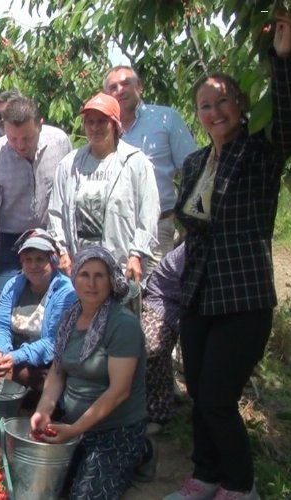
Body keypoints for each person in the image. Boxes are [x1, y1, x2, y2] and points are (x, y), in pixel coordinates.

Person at [164, 13, 291, 500]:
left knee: (218, 398)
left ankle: (240, 487)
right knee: (199, 394)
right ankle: (205, 476)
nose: (214, 112)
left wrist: (282, 62)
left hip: (243, 293)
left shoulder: (260, 152)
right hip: (198, 291)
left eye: (223, 102)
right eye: (204, 105)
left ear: (240, 105)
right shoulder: (196, 162)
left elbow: (286, 123)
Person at [30, 246, 154, 498]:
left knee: (85, 495)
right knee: (41, 486)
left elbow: (119, 391)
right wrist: (43, 410)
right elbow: (57, 371)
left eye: (100, 275)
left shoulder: (122, 324)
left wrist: (75, 430)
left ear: (111, 281)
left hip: (116, 427)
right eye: (85, 275)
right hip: (74, 422)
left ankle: (140, 451)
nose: (92, 283)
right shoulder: (70, 316)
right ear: (74, 279)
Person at [0, 97, 72, 351]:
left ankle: (45, 372)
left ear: (39, 125)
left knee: (57, 304)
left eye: (27, 138)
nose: (19, 145)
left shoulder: (60, 142)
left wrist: (62, 246)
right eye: (13, 139)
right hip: (9, 239)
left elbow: (67, 194)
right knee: (0, 307)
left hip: (49, 237)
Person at [48, 92, 159, 284]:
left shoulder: (136, 162)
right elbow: (56, 213)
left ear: (115, 125)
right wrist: (63, 251)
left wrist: (137, 254)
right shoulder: (69, 164)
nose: (95, 127)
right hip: (81, 267)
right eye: (89, 122)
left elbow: (149, 212)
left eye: (101, 121)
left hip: (122, 265)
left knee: (121, 314)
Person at [104, 66, 196, 265]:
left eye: (126, 83)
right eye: (113, 87)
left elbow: (192, 169)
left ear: (139, 87)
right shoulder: (102, 129)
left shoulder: (166, 119)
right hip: (114, 232)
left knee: (155, 292)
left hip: (157, 229)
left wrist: (190, 222)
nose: (119, 90)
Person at [0, 229, 76, 388]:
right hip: (19, 359)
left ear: (52, 261)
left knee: (24, 375)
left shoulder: (65, 292)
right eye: (28, 259)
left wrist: (15, 357)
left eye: (40, 259)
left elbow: (54, 342)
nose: (33, 266)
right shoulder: (13, 285)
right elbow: (1, 324)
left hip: (54, 362)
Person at [140, 243, 184, 430]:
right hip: (161, 302)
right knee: (152, 347)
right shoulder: (195, 247)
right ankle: (158, 413)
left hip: (186, 305)